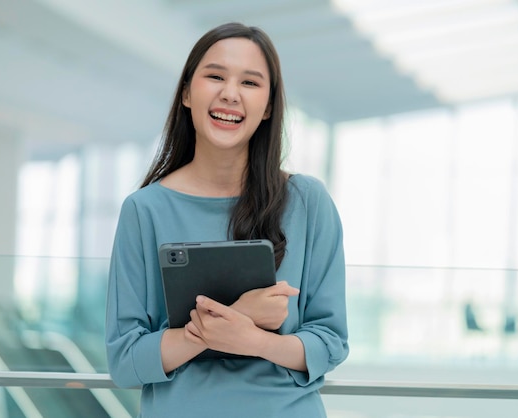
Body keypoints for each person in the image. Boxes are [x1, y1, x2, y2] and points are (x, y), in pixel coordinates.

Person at [106, 22, 349, 417]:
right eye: (215, 76)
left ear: (268, 106)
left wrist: (250, 338)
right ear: (187, 92)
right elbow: (125, 361)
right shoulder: (144, 210)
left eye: (250, 83)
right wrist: (240, 314)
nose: (230, 94)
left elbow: (331, 342)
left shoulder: (308, 202)